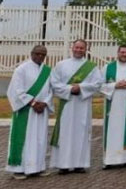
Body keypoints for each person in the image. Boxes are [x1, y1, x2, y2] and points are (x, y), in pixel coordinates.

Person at [50, 39, 103, 174]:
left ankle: (80, 164)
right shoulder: (61, 65)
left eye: (82, 48)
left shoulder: (91, 67)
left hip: (83, 104)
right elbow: (54, 83)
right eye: (77, 47)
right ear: (72, 48)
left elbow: (98, 83)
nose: (79, 50)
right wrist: (69, 89)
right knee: (65, 133)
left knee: (82, 132)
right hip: (66, 103)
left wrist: (80, 87)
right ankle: (63, 165)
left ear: (86, 50)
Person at [6, 45, 53, 179]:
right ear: (31, 53)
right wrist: (32, 103)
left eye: (43, 55)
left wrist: (45, 103)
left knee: (39, 139)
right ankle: (18, 169)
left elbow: (50, 90)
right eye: (37, 54)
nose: (40, 56)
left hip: (41, 111)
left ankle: (37, 167)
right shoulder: (21, 69)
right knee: (24, 139)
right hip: (25, 110)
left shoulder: (47, 70)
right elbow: (16, 90)